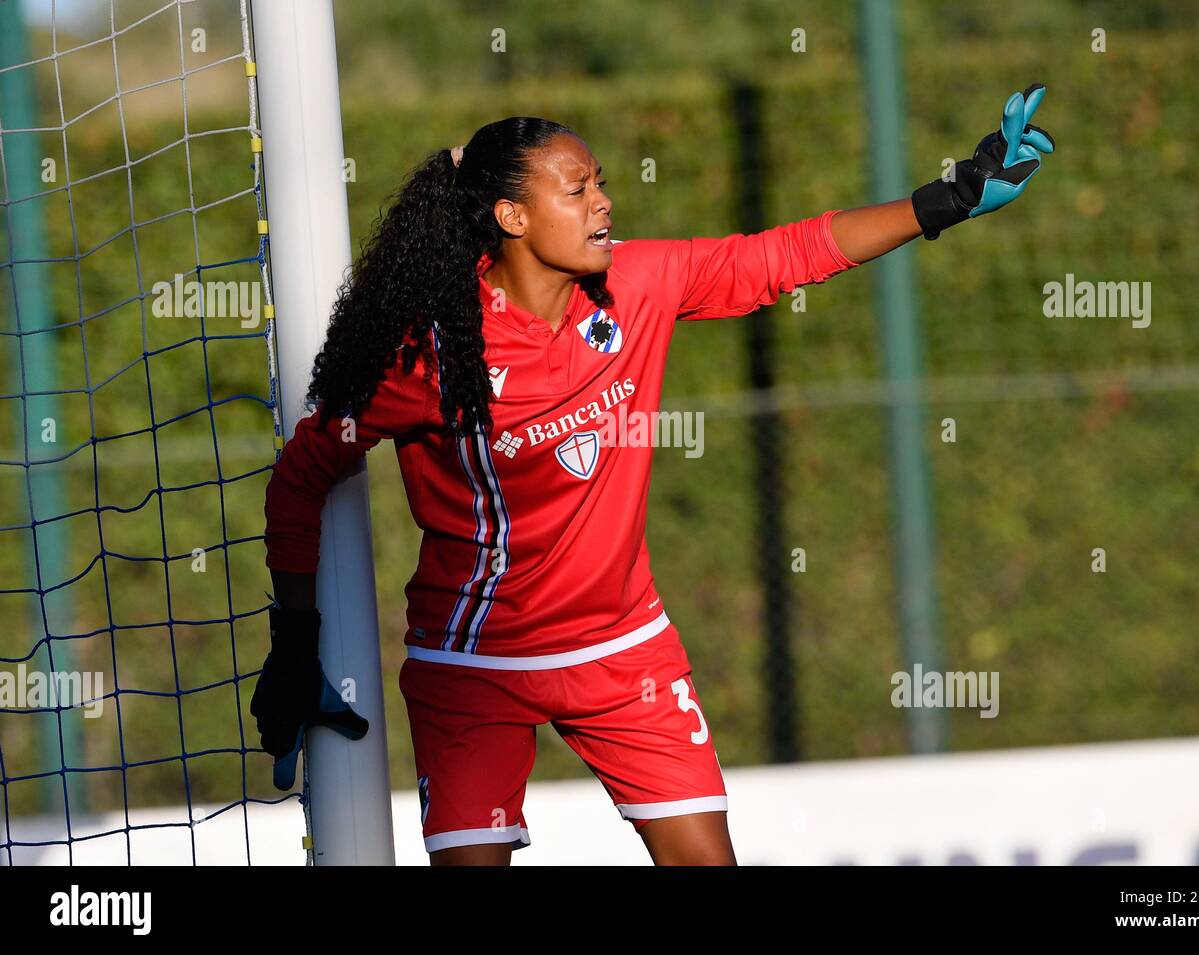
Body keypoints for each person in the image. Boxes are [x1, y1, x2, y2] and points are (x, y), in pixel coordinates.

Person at [252, 89, 1054, 866]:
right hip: (475, 666)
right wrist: (295, 640)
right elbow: (300, 477)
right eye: (578, 189)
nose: (603, 202)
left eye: (600, 182)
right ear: (512, 217)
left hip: (623, 648)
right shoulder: (431, 354)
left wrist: (944, 198)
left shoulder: (636, 285)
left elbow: (781, 255)